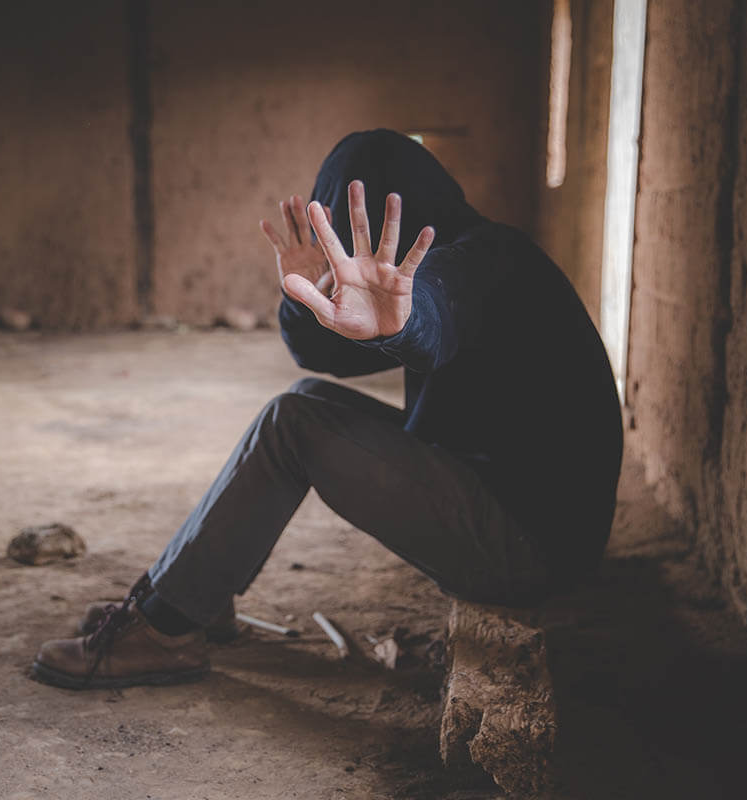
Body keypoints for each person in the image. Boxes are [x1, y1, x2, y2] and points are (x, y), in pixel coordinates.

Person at [32, 129, 623, 690]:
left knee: (295, 426)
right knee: (305, 402)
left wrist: (406, 320)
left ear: (408, 213)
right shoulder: (476, 249)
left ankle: (165, 631)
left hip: (526, 548)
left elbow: (434, 321)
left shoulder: (483, 263)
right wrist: (307, 292)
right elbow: (323, 358)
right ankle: (195, 597)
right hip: (509, 503)